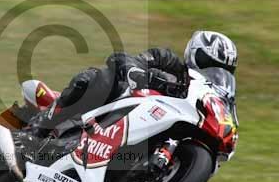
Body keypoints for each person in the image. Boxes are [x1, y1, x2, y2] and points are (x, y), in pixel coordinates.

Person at [30, 31, 238, 137]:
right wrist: (136, 73)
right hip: (115, 110)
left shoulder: (209, 102)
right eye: (208, 64)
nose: (212, 74)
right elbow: (123, 59)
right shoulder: (167, 61)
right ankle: (41, 125)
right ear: (194, 54)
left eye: (220, 71)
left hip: (143, 132)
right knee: (99, 77)